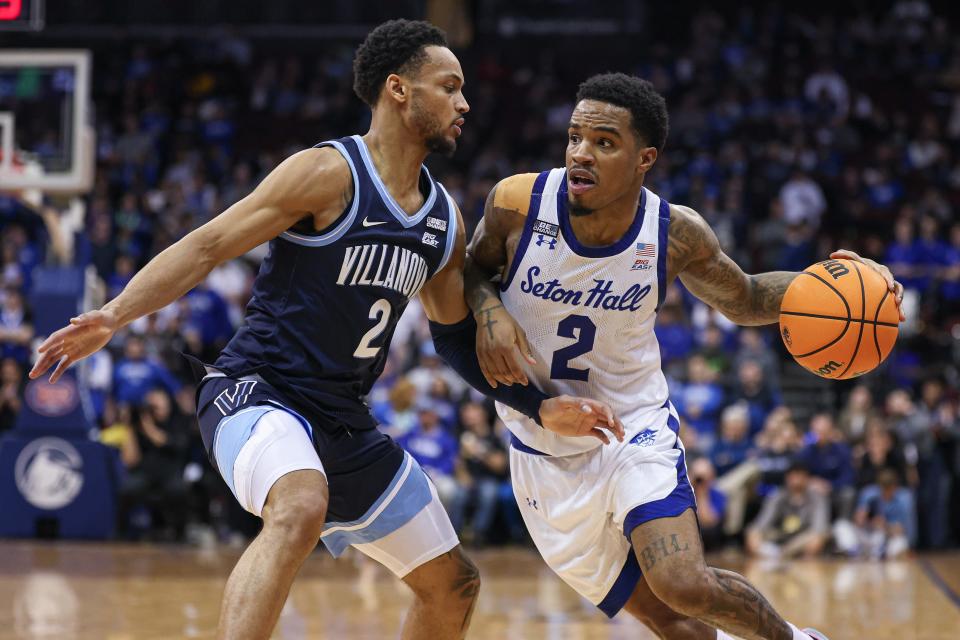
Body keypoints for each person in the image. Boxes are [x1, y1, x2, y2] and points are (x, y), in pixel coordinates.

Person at [29, 20, 620, 640]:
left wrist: (537, 406)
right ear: (398, 89)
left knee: (454, 585)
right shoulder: (327, 173)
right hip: (257, 391)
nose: (464, 104)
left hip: (344, 419)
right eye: (449, 87)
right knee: (301, 505)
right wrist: (115, 315)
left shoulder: (443, 218)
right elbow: (208, 246)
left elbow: (451, 337)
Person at [459, 72, 903, 640]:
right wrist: (488, 308)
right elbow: (471, 271)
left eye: (604, 142)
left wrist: (840, 285)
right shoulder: (517, 202)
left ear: (645, 157)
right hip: (540, 450)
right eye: (574, 137)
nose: (580, 153)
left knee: (683, 583)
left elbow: (743, 297)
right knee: (678, 627)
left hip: (632, 428)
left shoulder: (674, 233)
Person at [745, 461, 830, 560]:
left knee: (819, 536)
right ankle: (772, 557)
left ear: (807, 478)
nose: (796, 480)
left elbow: (819, 527)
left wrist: (790, 549)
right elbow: (762, 523)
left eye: (800, 476)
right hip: (778, 537)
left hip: (801, 540)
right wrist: (756, 538)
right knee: (753, 532)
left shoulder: (817, 498)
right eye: (793, 476)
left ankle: (792, 559)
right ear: (787, 478)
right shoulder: (777, 496)